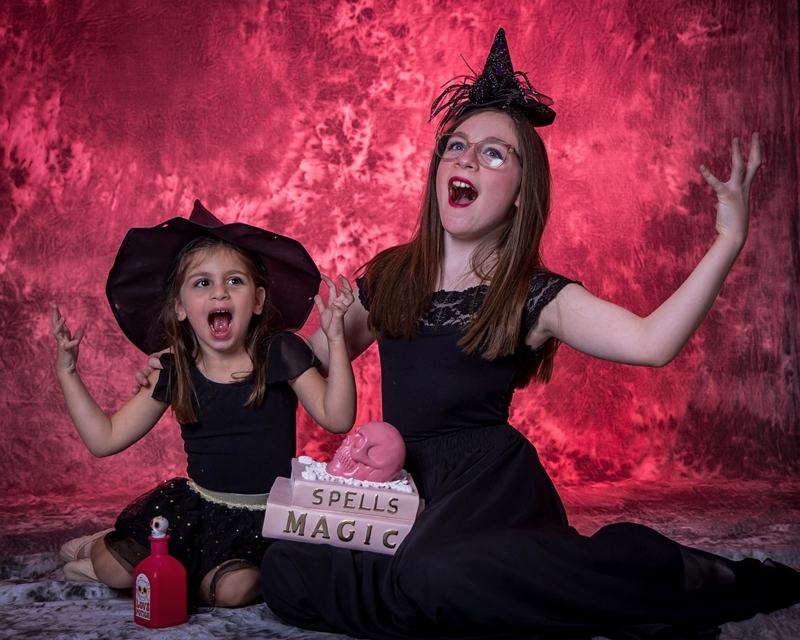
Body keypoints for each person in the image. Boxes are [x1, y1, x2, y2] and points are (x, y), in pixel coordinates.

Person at [138, 30, 800, 639]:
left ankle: (660, 569)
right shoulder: (390, 276)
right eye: (456, 146)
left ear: (519, 192)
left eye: (493, 154)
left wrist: (728, 241)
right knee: (289, 568)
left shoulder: (535, 295)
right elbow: (297, 368)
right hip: (397, 476)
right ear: (437, 170)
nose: (466, 159)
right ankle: (436, 586)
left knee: (436, 578)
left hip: (485, 483)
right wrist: (196, 359)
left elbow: (654, 343)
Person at [52, 200, 356, 609]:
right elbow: (104, 438)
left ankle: (186, 579)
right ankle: (97, 553)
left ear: (259, 299)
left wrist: (335, 340)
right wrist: (68, 374)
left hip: (265, 515)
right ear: (180, 308)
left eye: (234, 281)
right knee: (115, 567)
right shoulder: (173, 369)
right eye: (201, 283)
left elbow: (338, 418)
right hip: (196, 511)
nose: (219, 291)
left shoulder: (281, 352)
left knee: (231, 592)